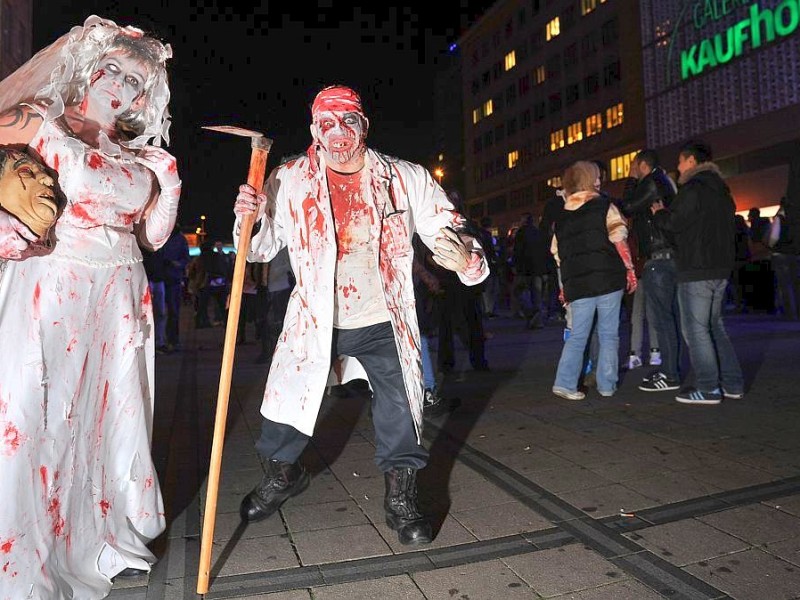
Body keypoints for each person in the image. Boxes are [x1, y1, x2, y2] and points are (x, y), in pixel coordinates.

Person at [231, 85, 488, 545]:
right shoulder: (289, 179)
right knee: (284, 409)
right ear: (314, 131)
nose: (339, 132)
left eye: (348, 120)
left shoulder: (404, 178)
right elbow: (259, 247)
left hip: (383, 318)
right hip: (315, 320)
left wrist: (467, 256)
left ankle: (401, 500)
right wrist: (249, 216)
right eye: (327, 124)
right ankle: (284, 476)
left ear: (364, 125)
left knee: (401, 408)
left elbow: (449, 227)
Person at [0, 15, 178, 598]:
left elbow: (152, 237)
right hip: (53, 287)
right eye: (116, 69)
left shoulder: (142, 158)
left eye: (137, 82)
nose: (123, 87)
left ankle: (108, 539)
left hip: (121, 297)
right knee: (39, 417)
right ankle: (28, 557)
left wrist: (171, 187)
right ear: (87, 65)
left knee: (113, 420)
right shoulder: (38, 122)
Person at [651, 141, 744, 404]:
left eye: (680, 161)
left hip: (697, 268)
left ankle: (708, 387)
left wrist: (659, 214)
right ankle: (733, 383)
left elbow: (674, 223)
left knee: (695, 330)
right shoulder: (721, 190)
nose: (678, 167)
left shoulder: (692, 189)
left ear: (691, 161)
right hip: (720, 267)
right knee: (715, 326)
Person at [551, 161, 637, 400]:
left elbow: (558, 255)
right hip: (608, 277)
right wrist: (629, 269)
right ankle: (607, 384)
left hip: (577, 284)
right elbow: (619, 238)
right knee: (609, 334)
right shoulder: (604, 206)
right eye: (596, 177)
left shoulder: (561, 217)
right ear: (589, 180)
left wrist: (564, 286)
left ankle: (565, 382)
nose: (599, 181)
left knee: (578, 334)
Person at [619, 149, 684, 393]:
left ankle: (670, 373)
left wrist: (632, 179)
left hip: (659, 258)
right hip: (665, 257)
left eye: (634, 165)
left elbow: (627, 206)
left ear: (642, 165)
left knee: (663, 319)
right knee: (667, 318)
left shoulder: (651, 183)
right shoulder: (662, 182)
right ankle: (670, 370)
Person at [512, 212, 549, 329]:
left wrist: (515, 266)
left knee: (520, 292)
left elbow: (517, 251)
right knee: (537, 294)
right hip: (538, 268)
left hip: (525, 268)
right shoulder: (538, 233)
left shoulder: (521, 233)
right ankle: (537, 320)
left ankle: (531, 315)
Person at [768, 197, 800, 320]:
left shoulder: (780, 218)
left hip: (781, 254)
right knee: (796, 284)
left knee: (785, 285)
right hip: (795, 254)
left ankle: (790, 313)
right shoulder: (796, 219)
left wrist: (770, 245)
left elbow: (774, 237)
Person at [161, 223, 190, 350]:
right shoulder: (162, 235)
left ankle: (172, 339)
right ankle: (163, 340)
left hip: (172, 278)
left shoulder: (180, 239)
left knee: (173, 312)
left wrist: (175, 264)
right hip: (160, 277)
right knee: (161, 313)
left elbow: (185, 259)